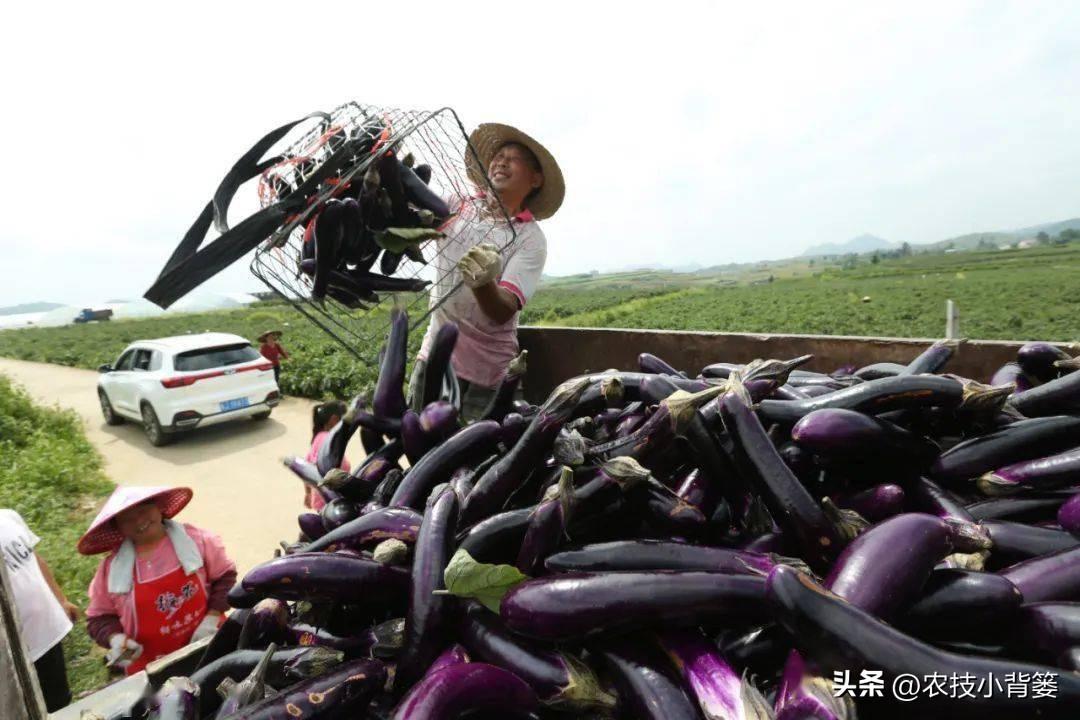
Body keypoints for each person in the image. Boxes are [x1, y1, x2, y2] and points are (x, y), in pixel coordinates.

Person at [408, 123, 564, 420]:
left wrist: (483, 283)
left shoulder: (530, 239)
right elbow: (412, 205)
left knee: (471, 460)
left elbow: (503, 310)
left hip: (487, 375)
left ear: (535, 178)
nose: (501, 161)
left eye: (512, 158)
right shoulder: (457, 206)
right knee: (418, 450)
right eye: (497, 155)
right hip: (435, 358)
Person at [80, 486, 237, 675]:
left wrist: (211, 618)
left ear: (159, 508)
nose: (139, 521)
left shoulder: (197, 541)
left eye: (143, 511)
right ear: (117, 528)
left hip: (209, 644)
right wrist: (116, 639)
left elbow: (225, 577)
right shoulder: (111, 569)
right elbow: (99, 618)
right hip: (152, 667)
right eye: (127, 519)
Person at [0, 509, 80, 711]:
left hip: (47, 634)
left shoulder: (8, 517)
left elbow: (36, 559)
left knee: (59, 703)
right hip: (12, 654)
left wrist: (61, 600)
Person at [304, 400, 351, 511]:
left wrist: (308, 493)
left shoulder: (319, 436)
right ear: (334, 420)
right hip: (331, 503)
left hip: (320, 501)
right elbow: (340, 468)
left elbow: (307, 465)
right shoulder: (328, 440)